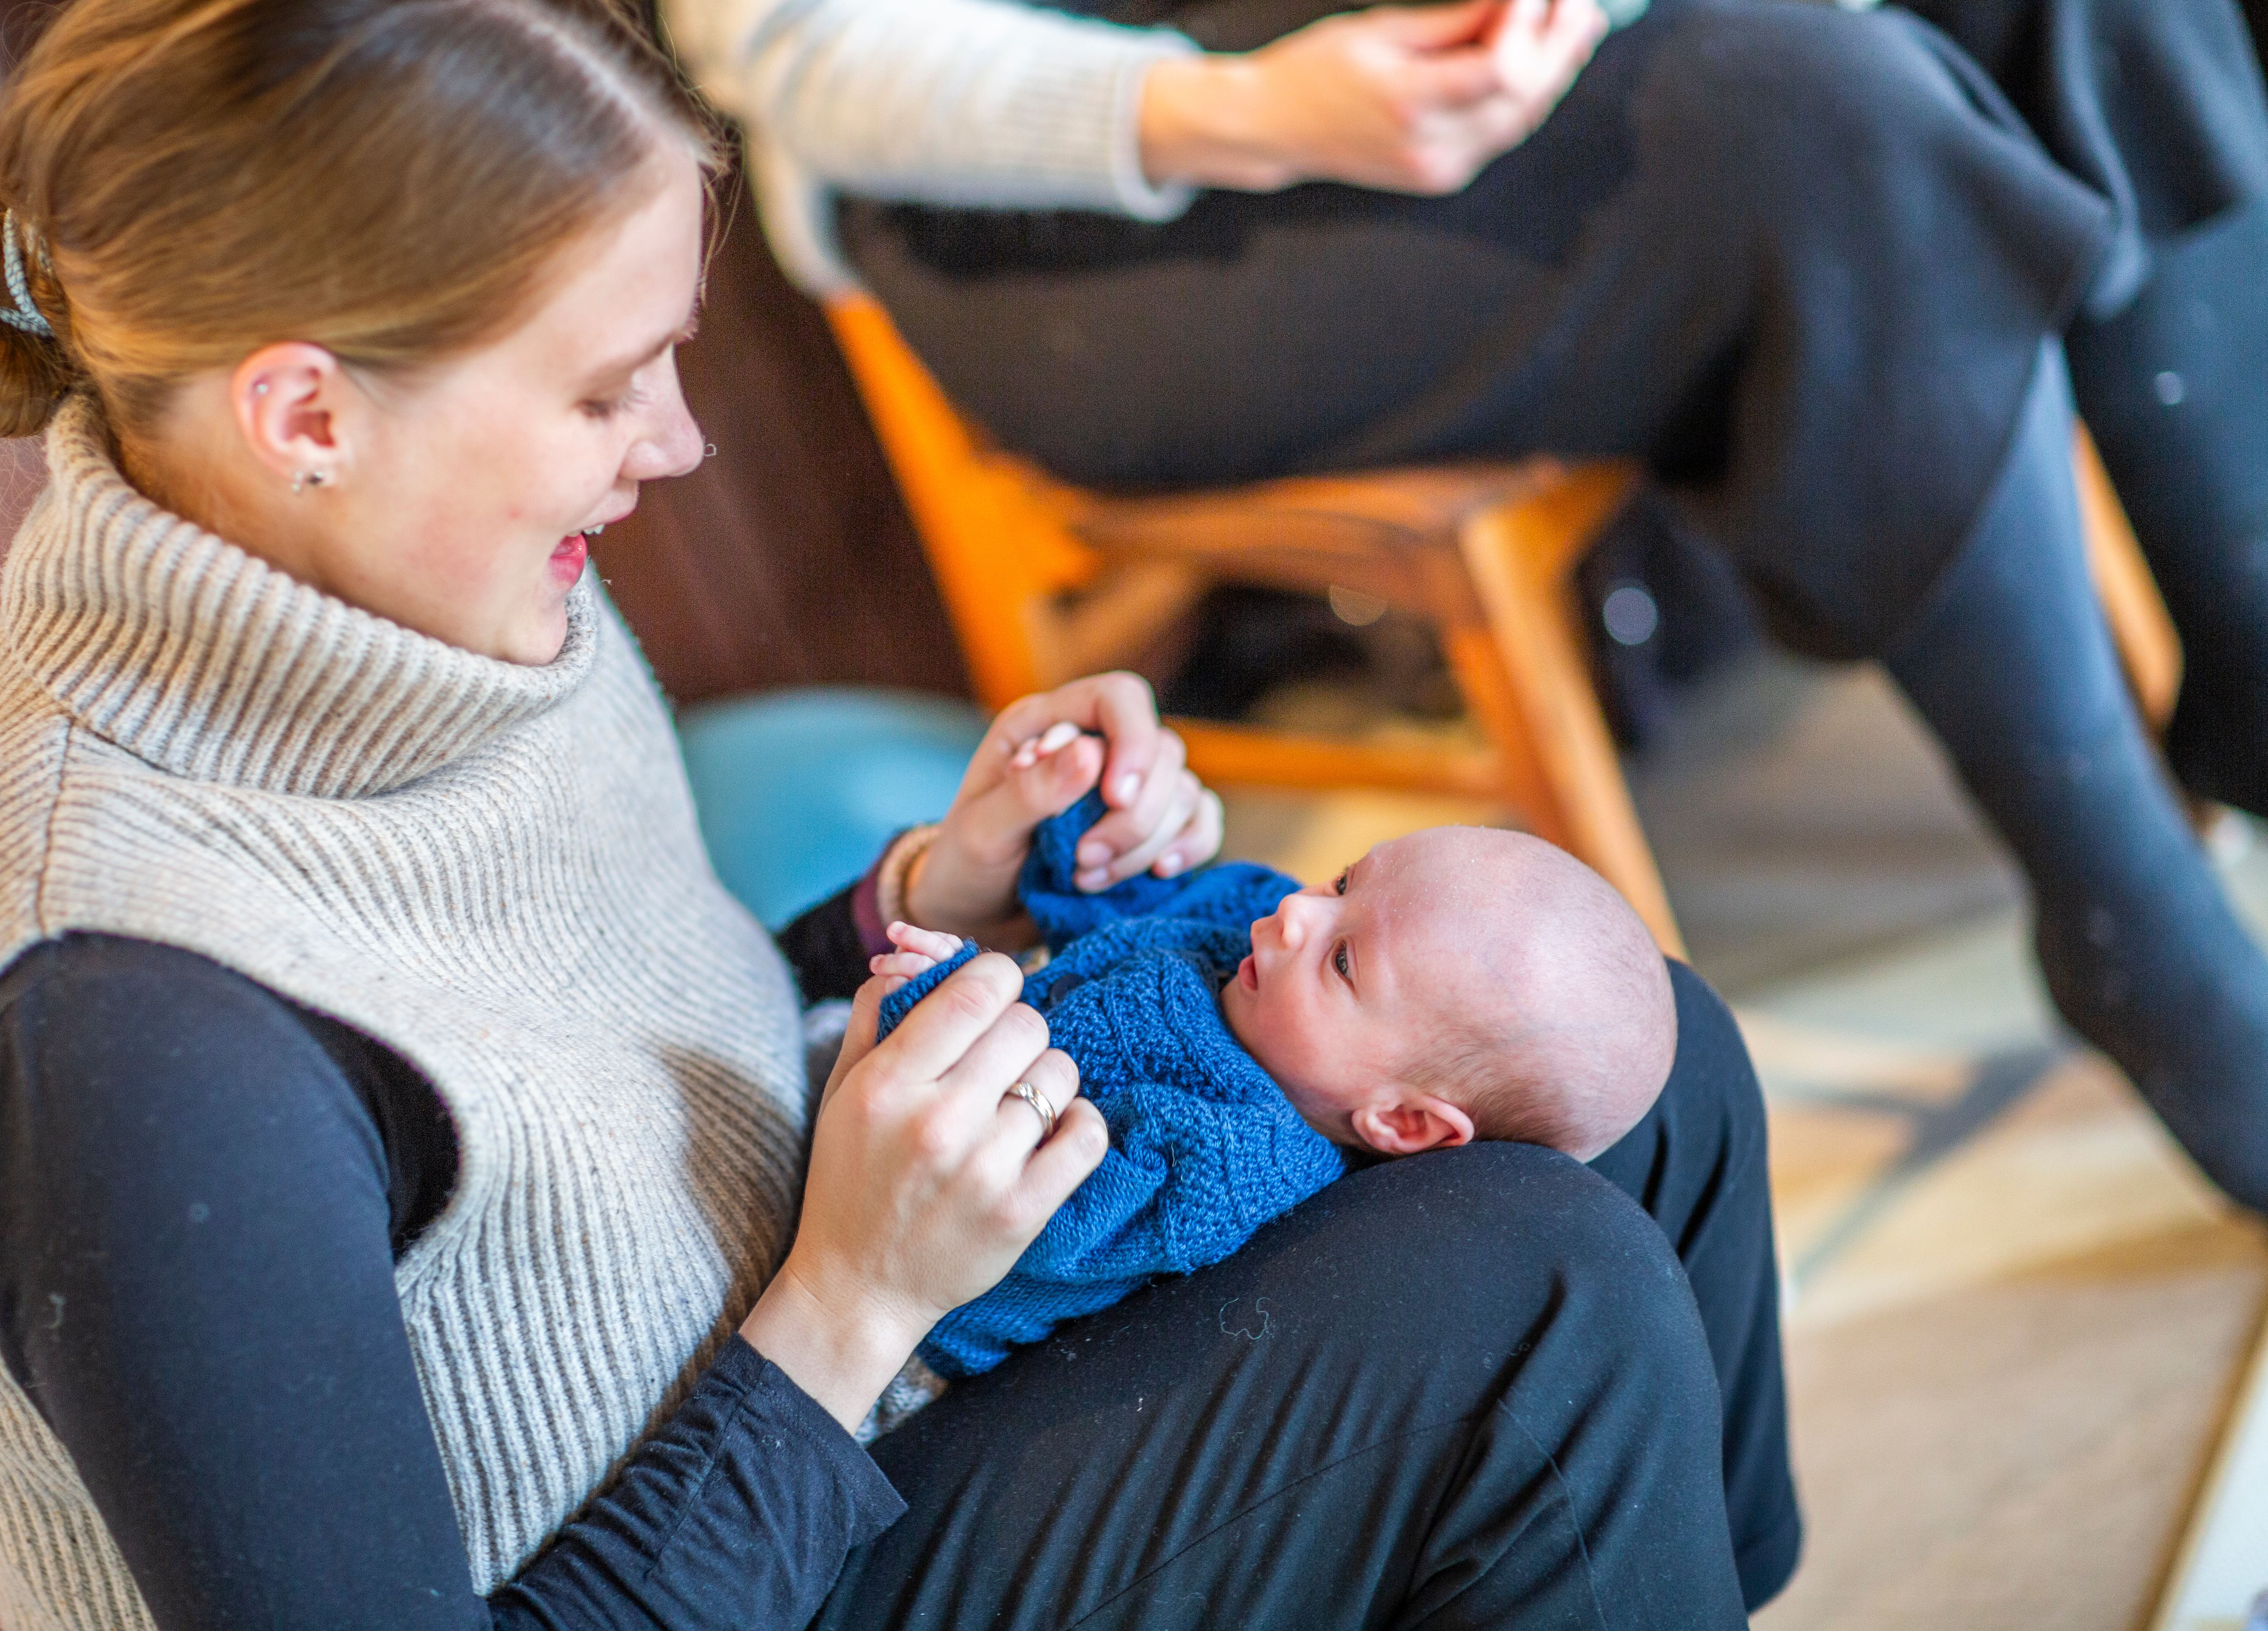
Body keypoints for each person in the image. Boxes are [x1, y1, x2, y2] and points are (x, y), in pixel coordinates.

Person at [0, 2, 1845, 1631]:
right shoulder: (118, 1035)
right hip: (730, 1559)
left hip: (810, 1418)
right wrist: (849, 1305)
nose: (678, 442)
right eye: (613, 387)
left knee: (1647, 1070)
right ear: (306, 412)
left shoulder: (405, 583)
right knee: (1533, 1286)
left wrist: (932, 890)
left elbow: (576, 1099)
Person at [663, 0, 2268, 1213]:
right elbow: (805, 48)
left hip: (1432, 42)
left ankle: (2254, 650)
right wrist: (1254, 110)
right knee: (1814, 121)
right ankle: (2136, 919)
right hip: (1079, 181)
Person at [869, 749, 1676, 1382]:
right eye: (1346, 878)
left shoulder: (1239, 1159)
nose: (1297, 913)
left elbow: (1043, 1220)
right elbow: (1113, 907)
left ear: (1401, 1121)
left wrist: (948, 1009)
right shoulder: (1252, 928)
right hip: (902, 1112)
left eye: (1346, 962)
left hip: (914, 1318)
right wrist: (1086, 830)